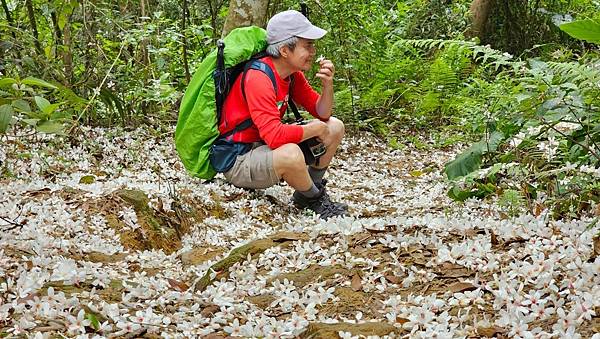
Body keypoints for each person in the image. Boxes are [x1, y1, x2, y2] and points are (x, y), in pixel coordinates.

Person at [215, 10, 347, 219]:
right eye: (307, 46)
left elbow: (323, 113)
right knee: (291, 154)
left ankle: (309, 190)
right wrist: (313, 129)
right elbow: (274, 136)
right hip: (239, 159)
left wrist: (327, 86)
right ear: (285, 50)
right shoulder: (258, 77)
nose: (313, 51)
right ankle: (315, 199)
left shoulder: (292, 75)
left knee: (335, 126)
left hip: (263, 148)